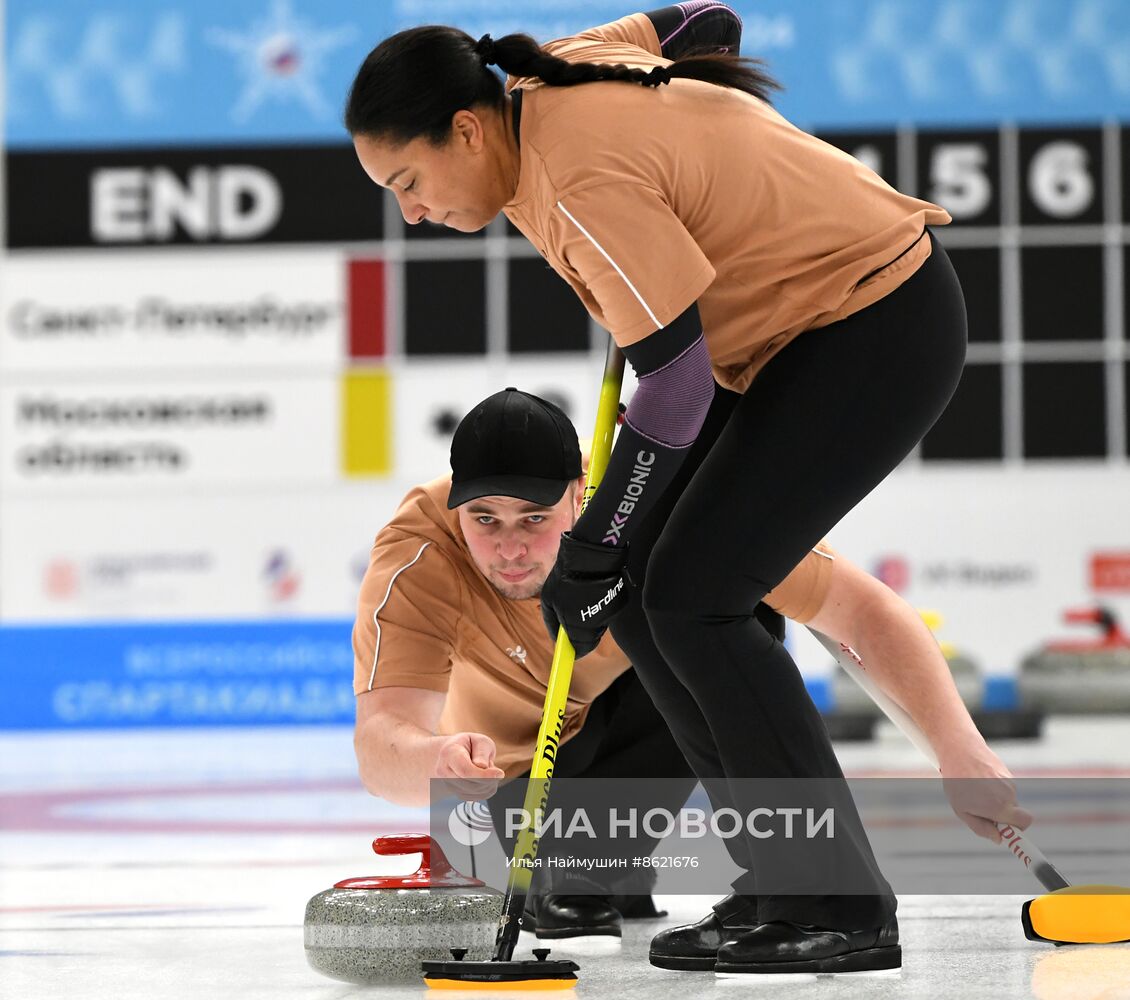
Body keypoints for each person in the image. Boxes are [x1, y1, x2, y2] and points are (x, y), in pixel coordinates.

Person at [344, 4, 1032, 976]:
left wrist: (593, 542)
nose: (409, 211)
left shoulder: (571, 174)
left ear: (463, 128)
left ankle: (836, 901)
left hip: (867, 322)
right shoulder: (555, 69)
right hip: (786, 344)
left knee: (690, 596)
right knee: (651, 598)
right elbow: (705, 19)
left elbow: (673, 384)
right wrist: (702, 165)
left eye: (408, 182)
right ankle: (780, 875)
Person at [352, 387, 1026, 963]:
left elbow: (863, 613)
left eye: (536, 518)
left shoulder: (644, 505)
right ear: (454, 512)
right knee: (578, 873)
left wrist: (958, 752)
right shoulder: (418, 558)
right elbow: (383, 742)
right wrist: (439, 760)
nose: (512, 547)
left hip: (645, 736)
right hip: (520, 771)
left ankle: (777, 880)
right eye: (484, 521)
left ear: (580, 494)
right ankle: (586, 862)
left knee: (724, 613)